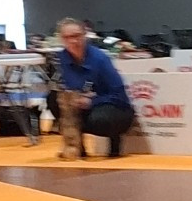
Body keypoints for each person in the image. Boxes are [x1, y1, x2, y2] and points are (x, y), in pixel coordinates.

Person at [56, 17, 134, 158]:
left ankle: (115, 144)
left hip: (114, 108)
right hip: (80, 105)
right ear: (61, 39)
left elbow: (119, 95)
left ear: (85, 35)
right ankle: (76, 146)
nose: (73, 41)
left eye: (76, 36)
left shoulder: (100, 59)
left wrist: (92, 101)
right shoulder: (61, 59)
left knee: (99, 120)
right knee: (54, 101)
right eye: (67, 37)